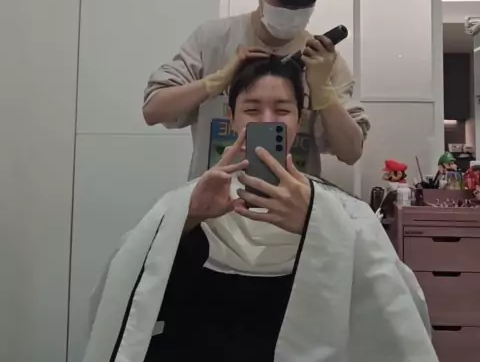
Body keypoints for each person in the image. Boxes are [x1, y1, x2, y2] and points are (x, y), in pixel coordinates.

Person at [86, 56, 437, 362]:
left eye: (282, 110)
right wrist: (189, 219)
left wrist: (316, 225)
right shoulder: (191, 201)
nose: (268, 121)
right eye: (252, 110)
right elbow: (128, 295)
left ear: (299, 120)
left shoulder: (341, 212)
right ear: (232, 118)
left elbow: (393, 311)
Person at [143, 0, 369, 179]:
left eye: (303, 6)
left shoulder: (324, 61)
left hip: (291, 202)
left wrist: (323, 91)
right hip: (214, 201)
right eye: (282, 3)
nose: (292, 12)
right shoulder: (212, 39)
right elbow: (153, 111)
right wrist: (216, 81)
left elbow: (351, 152)